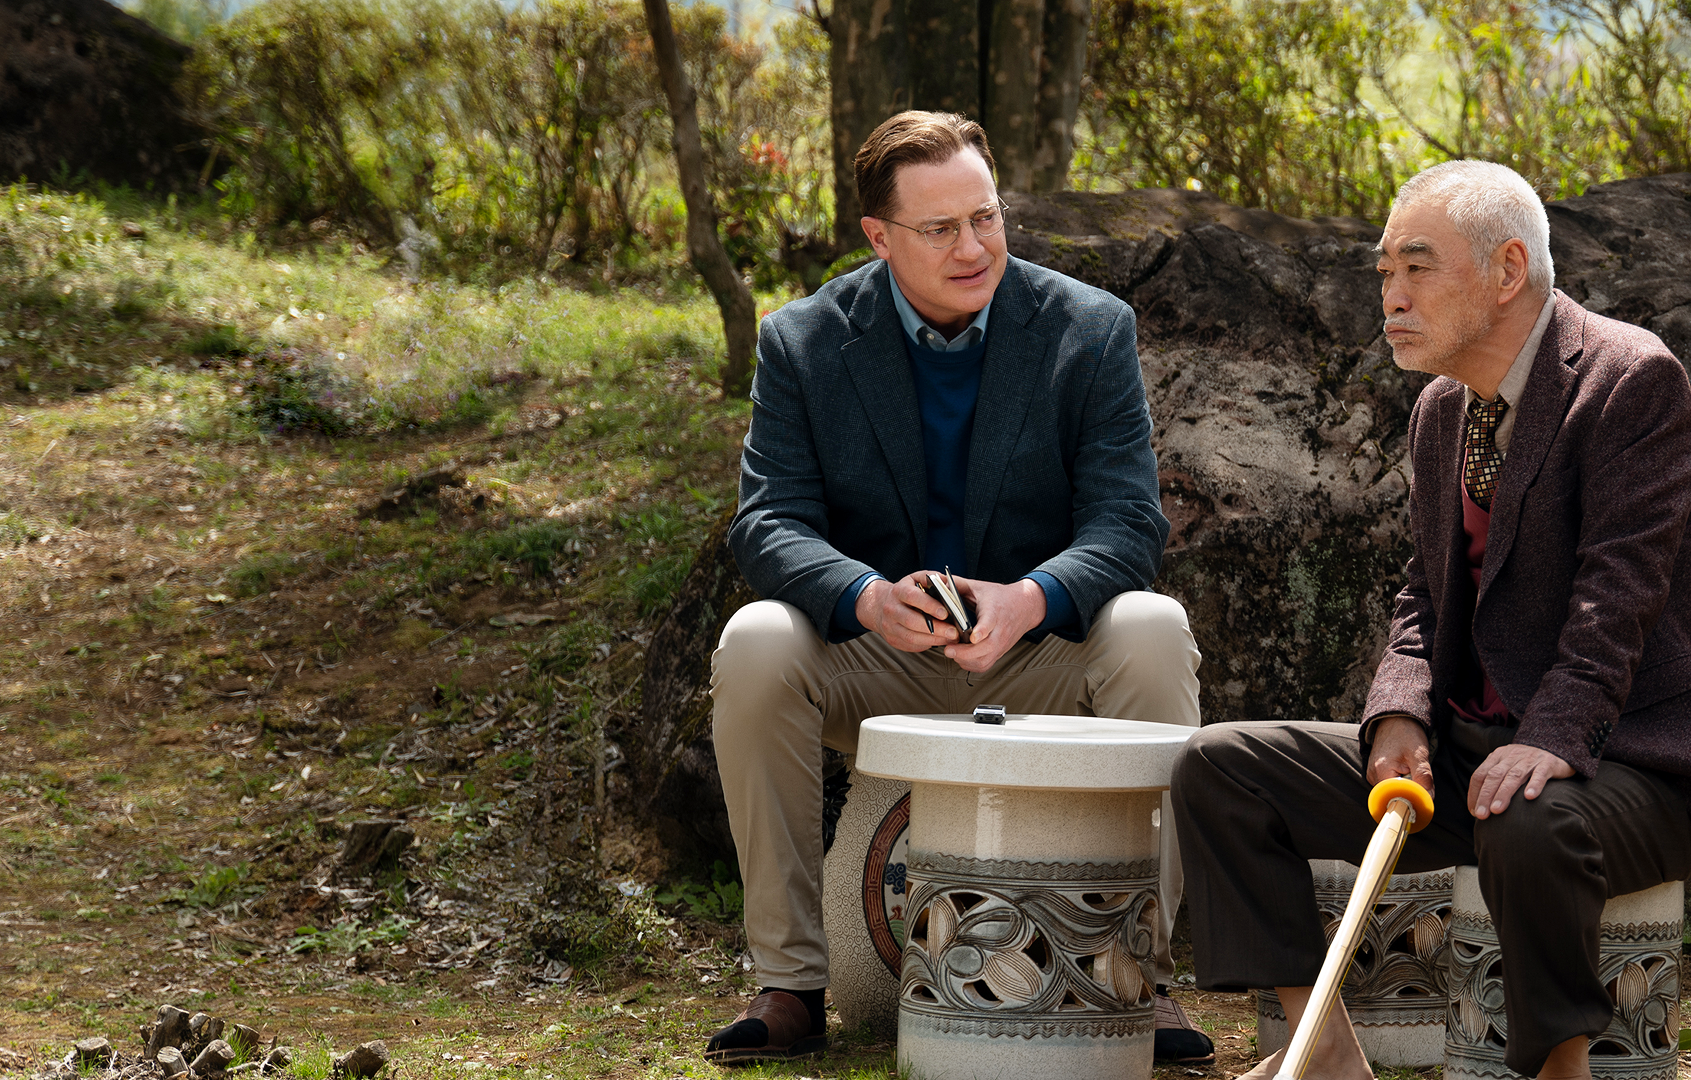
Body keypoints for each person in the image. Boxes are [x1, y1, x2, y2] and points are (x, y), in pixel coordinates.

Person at [704, 110, 1207, 1066]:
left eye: (987, 218)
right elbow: (767, 522)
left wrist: (1031, 597)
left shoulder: (1091, 330)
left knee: (1151, 626)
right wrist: (863, 598)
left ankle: (1144, 975)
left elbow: (1129, 523)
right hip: (875, 664)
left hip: (1040, 656)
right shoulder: (802, 340)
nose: (974, 246)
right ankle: (790, 983)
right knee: (756, 642)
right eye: (940, 229)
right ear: (879, 236)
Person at [1172, 159, 1691, 1080]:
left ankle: (1557, 1072)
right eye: (1384, 273)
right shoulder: (1442, 409)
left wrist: (1552, 739)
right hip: (1473, 751)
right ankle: (1321, 1048)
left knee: (1527, 820)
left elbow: (1620, 596)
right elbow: (1424, 593)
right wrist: (1401, 713)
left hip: (1627, 762)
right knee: (1223, 769)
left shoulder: (1630, 380)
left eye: (1418, 268)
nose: (1392, 297)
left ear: (1505, 270)